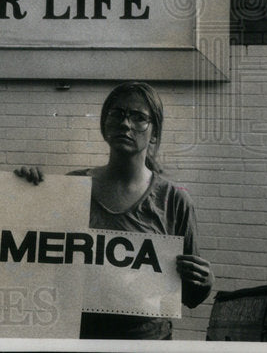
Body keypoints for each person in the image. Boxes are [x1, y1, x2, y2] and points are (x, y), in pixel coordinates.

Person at [16, 81, 213, 340]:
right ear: (104, 125)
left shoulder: (174, 200)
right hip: (78, 340)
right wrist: (23, 193)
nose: (126, 123)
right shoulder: (72, 187)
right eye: (117, 114)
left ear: (154, 133)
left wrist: (204, 280)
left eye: (139, 117)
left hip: (147, 344)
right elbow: (33, 256)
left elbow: (190, 296)